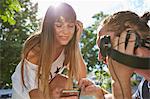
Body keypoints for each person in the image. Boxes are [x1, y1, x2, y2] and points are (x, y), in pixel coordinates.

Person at [11, 2, 86, 99]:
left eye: (70, 26)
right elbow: (34, 93)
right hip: (24, 94)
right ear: (49, 26)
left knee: (64, 82)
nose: (65, 31)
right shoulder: (35, 50)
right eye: (59, 25)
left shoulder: (67, 49)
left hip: (45, 88)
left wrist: (75, 43)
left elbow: (82, 77)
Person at [79, 11, 150, 99]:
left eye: (105, 45)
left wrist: (119, 82)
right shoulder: (145, 87)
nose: (100, 57)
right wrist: (99, 92)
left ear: (131, 38)